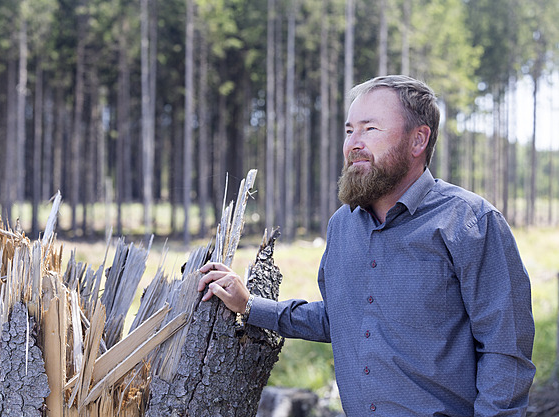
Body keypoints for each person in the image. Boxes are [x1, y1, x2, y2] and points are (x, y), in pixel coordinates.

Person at [198, 75, 535, 416]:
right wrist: (250, 305)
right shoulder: (342, 226)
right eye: (349, 131)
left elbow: (506, 350)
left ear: (418, 140)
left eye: (370, 129)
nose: (353, 144)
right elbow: (342, 317)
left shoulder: (470, 222)